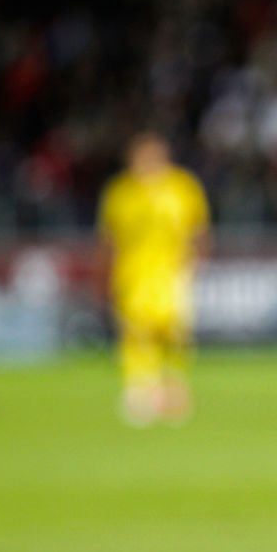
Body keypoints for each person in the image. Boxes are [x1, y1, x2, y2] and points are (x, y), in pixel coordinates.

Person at [97, 132, 210, 426]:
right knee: (137, 334)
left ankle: (174, 391)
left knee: (176, 334)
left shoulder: (182, 187)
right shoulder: (121, 193)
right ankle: (140, 393)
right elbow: (109, 240)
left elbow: (198, 231)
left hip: (173, 274)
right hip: (133, 275)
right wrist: (103, 275)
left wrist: (196, 266)